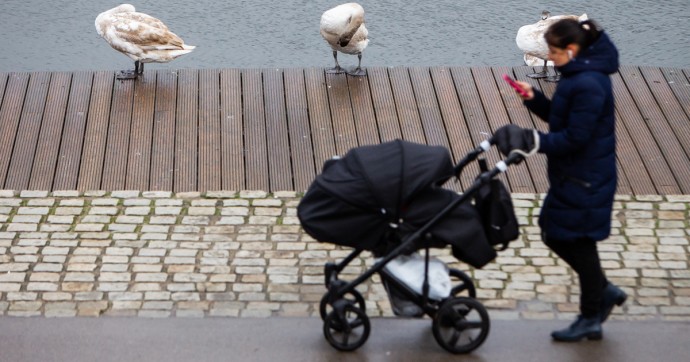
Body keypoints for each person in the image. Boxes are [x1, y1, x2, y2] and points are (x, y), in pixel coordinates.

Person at [492, 18, 627, 342]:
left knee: (578, 243)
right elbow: (562, 117)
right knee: (554, 231)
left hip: (586, 178)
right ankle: (603, 291)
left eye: (553, 51)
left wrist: (533, 142)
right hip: (574, 175)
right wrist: (534, 98)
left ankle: (590, 315)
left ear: (572, 49)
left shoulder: (590, 83)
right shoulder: (576, 75)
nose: (549, 57)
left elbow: (575, 138)